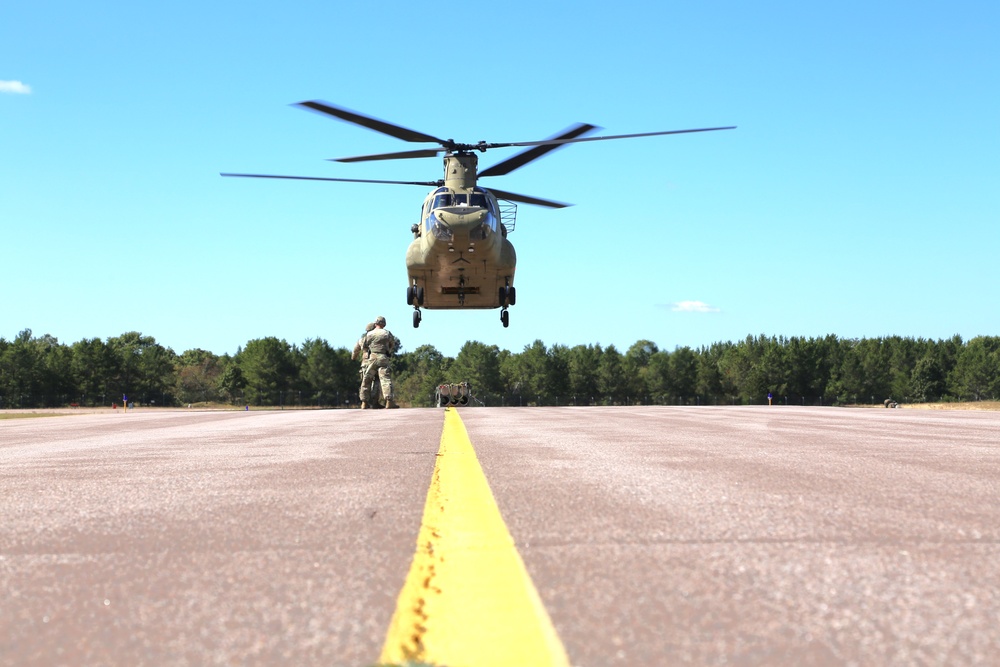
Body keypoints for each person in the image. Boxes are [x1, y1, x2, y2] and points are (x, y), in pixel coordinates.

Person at [360, 316, 397, 409]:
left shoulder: (369, 334)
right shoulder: (387, 333)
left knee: (367, 379)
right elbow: (392, 343)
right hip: (383, 357)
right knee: (385, 379)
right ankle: (389, 401)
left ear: (375, 323)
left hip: (372, 358)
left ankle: (364, 402)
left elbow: (364, 346)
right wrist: (388, 350)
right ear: (384, 324)